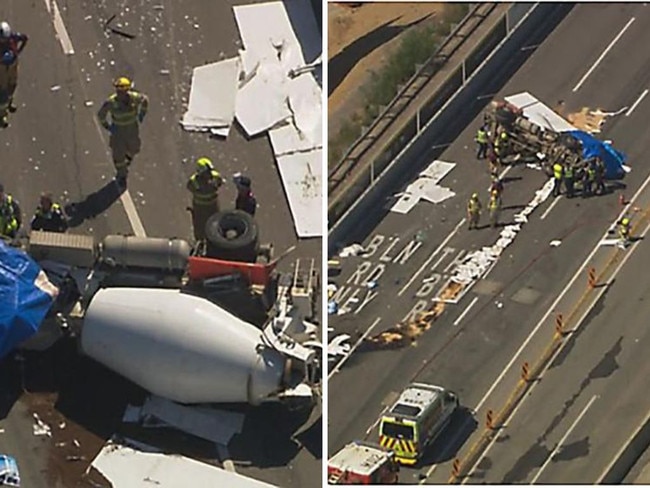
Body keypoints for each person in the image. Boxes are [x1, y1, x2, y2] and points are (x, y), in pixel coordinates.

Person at [97, 77, 148, 186]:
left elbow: (144, 100)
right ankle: (122, 175)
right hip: (118, 133)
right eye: (118, 91)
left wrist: (141, 114)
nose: (120, 94)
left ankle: (128, 158)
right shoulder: (111, 102)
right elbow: (101, 115)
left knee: (134, 149)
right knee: (118, 155)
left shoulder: (134, 98)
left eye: (122, 91)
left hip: (132, 130)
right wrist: (108, 126)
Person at [187, 157, 224, 241]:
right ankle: (199, 242)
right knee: (200, 227)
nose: (208, 174)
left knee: (215, 224)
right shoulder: (194, 181)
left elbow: (219, 182)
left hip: (213, 206)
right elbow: (190, 187)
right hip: (200, 207)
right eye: (206, 172)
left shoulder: (215, 176)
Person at [0, 21, 28, 128]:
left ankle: (9, 102)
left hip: (12, 66)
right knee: (3, 91)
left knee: (12, 85)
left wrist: (18, 52)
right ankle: (2, 115)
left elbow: (24, 38)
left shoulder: (13, 38)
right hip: (2, 68)